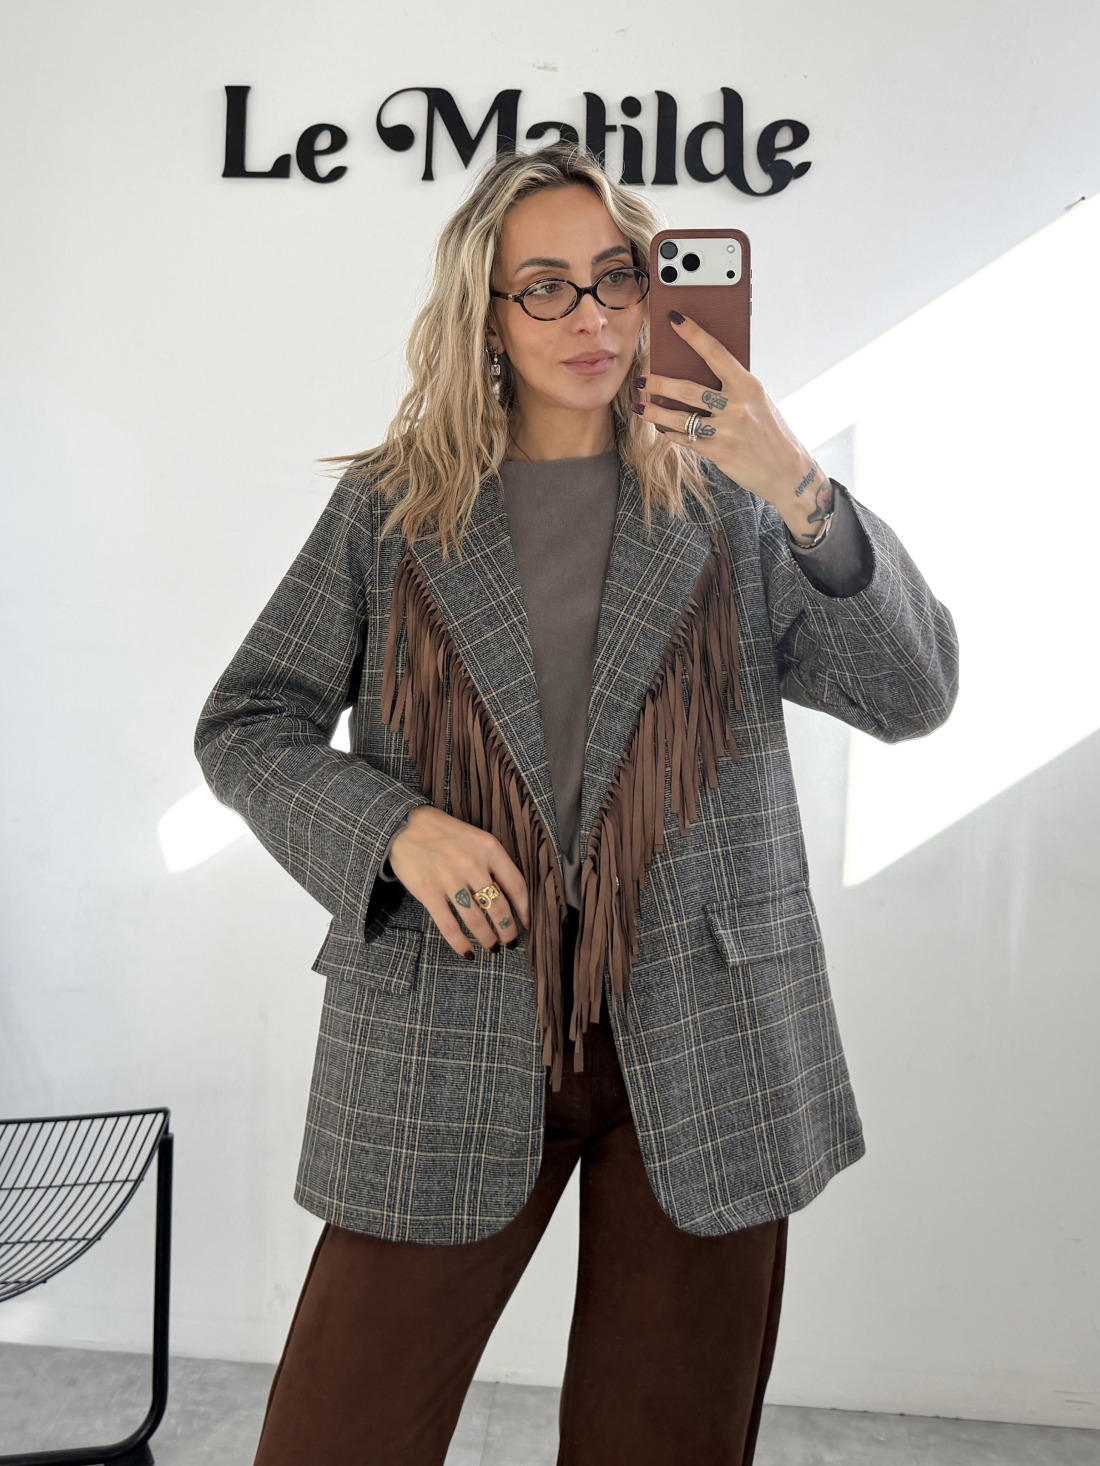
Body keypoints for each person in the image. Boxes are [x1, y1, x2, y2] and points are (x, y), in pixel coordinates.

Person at [194, 141, 958, 1466]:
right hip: (448, 1021)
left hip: (703, 1033)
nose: (592, 315)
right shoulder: (394, 511)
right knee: (338, 1436)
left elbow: (914, 692)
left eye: (616, 277)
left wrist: (801, 487)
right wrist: (394, 830)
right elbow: (248, 724)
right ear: (484, 315)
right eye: (544, 287)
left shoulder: (732, 502)